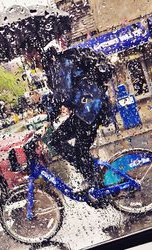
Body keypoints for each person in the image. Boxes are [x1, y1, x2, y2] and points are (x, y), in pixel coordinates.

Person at [27, 41, 115, 192]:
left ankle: (92, 177)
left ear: (39, 54)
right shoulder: (54, 68)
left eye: (30, 57)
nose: (30, 62)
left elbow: (64, 96)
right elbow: (62, 97)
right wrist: (49, 118)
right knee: (56, 140)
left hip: (90, 110)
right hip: (84, 111)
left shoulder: (62, 63)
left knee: (79, 149)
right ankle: (90, 169)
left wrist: (47, 106)